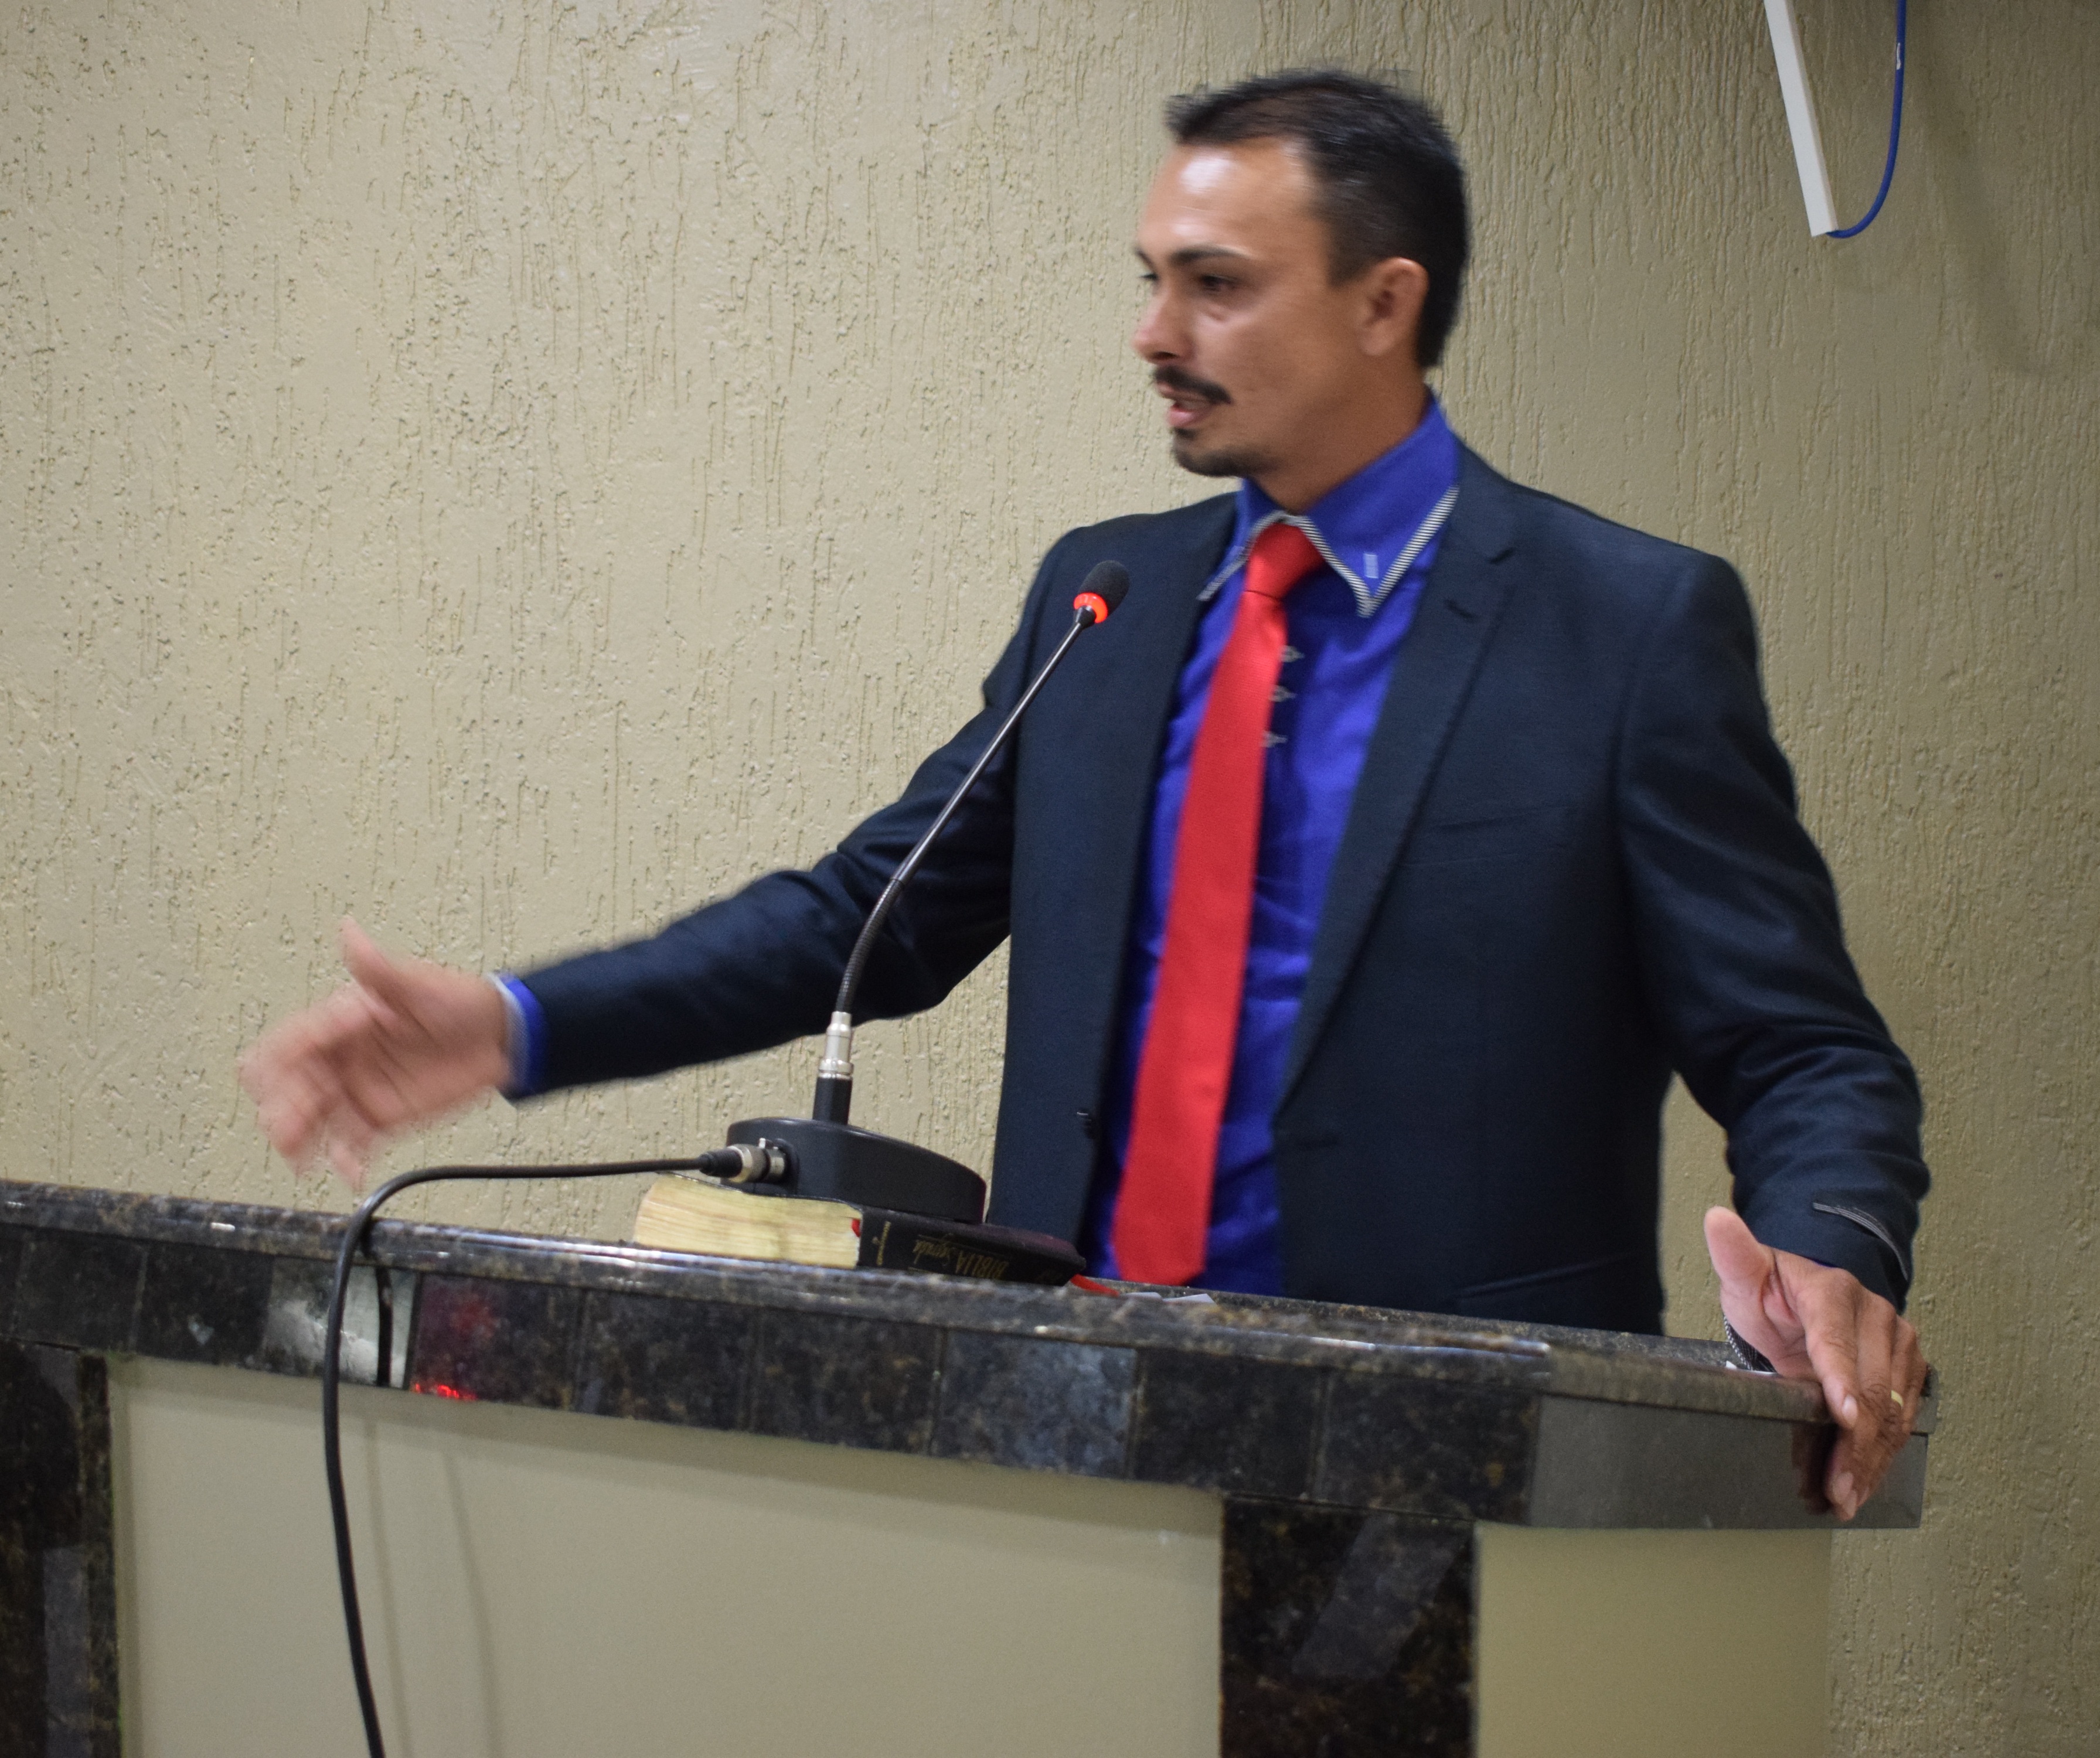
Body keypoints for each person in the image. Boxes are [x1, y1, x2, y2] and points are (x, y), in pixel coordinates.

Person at [241, 72, 1928, 1518]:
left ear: (1383, 303)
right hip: (1066, 1429)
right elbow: (867, 918)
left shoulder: (1624, 627)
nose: (1154, 335)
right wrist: (519, 1025)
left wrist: (1830, 1248)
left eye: (1216, 286)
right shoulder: (1104, 605)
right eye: (1152, 281)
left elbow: (1801, 1045)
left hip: (1452, 1461)